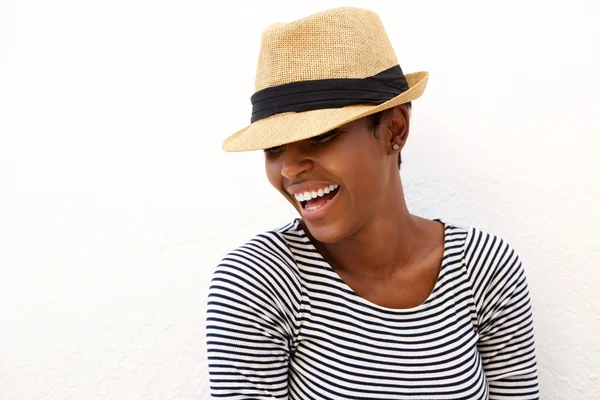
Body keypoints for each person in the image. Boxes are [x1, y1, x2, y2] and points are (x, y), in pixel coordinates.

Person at [206, 7, 539, 399]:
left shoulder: (485, 269)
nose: (291, 168)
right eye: (274, 148)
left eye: (322, 136)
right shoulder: (258, 283)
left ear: (394, 129)